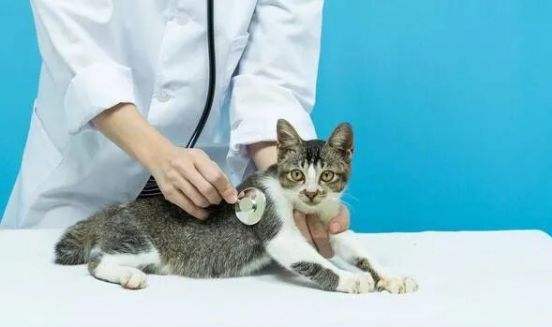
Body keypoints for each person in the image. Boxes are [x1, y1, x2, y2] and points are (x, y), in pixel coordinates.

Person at [1, 0, 348, 257]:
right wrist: (161, 157)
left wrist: (289, 192)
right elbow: (82, 59)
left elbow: (272, 83)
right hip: (81, 185)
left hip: (205, 208)